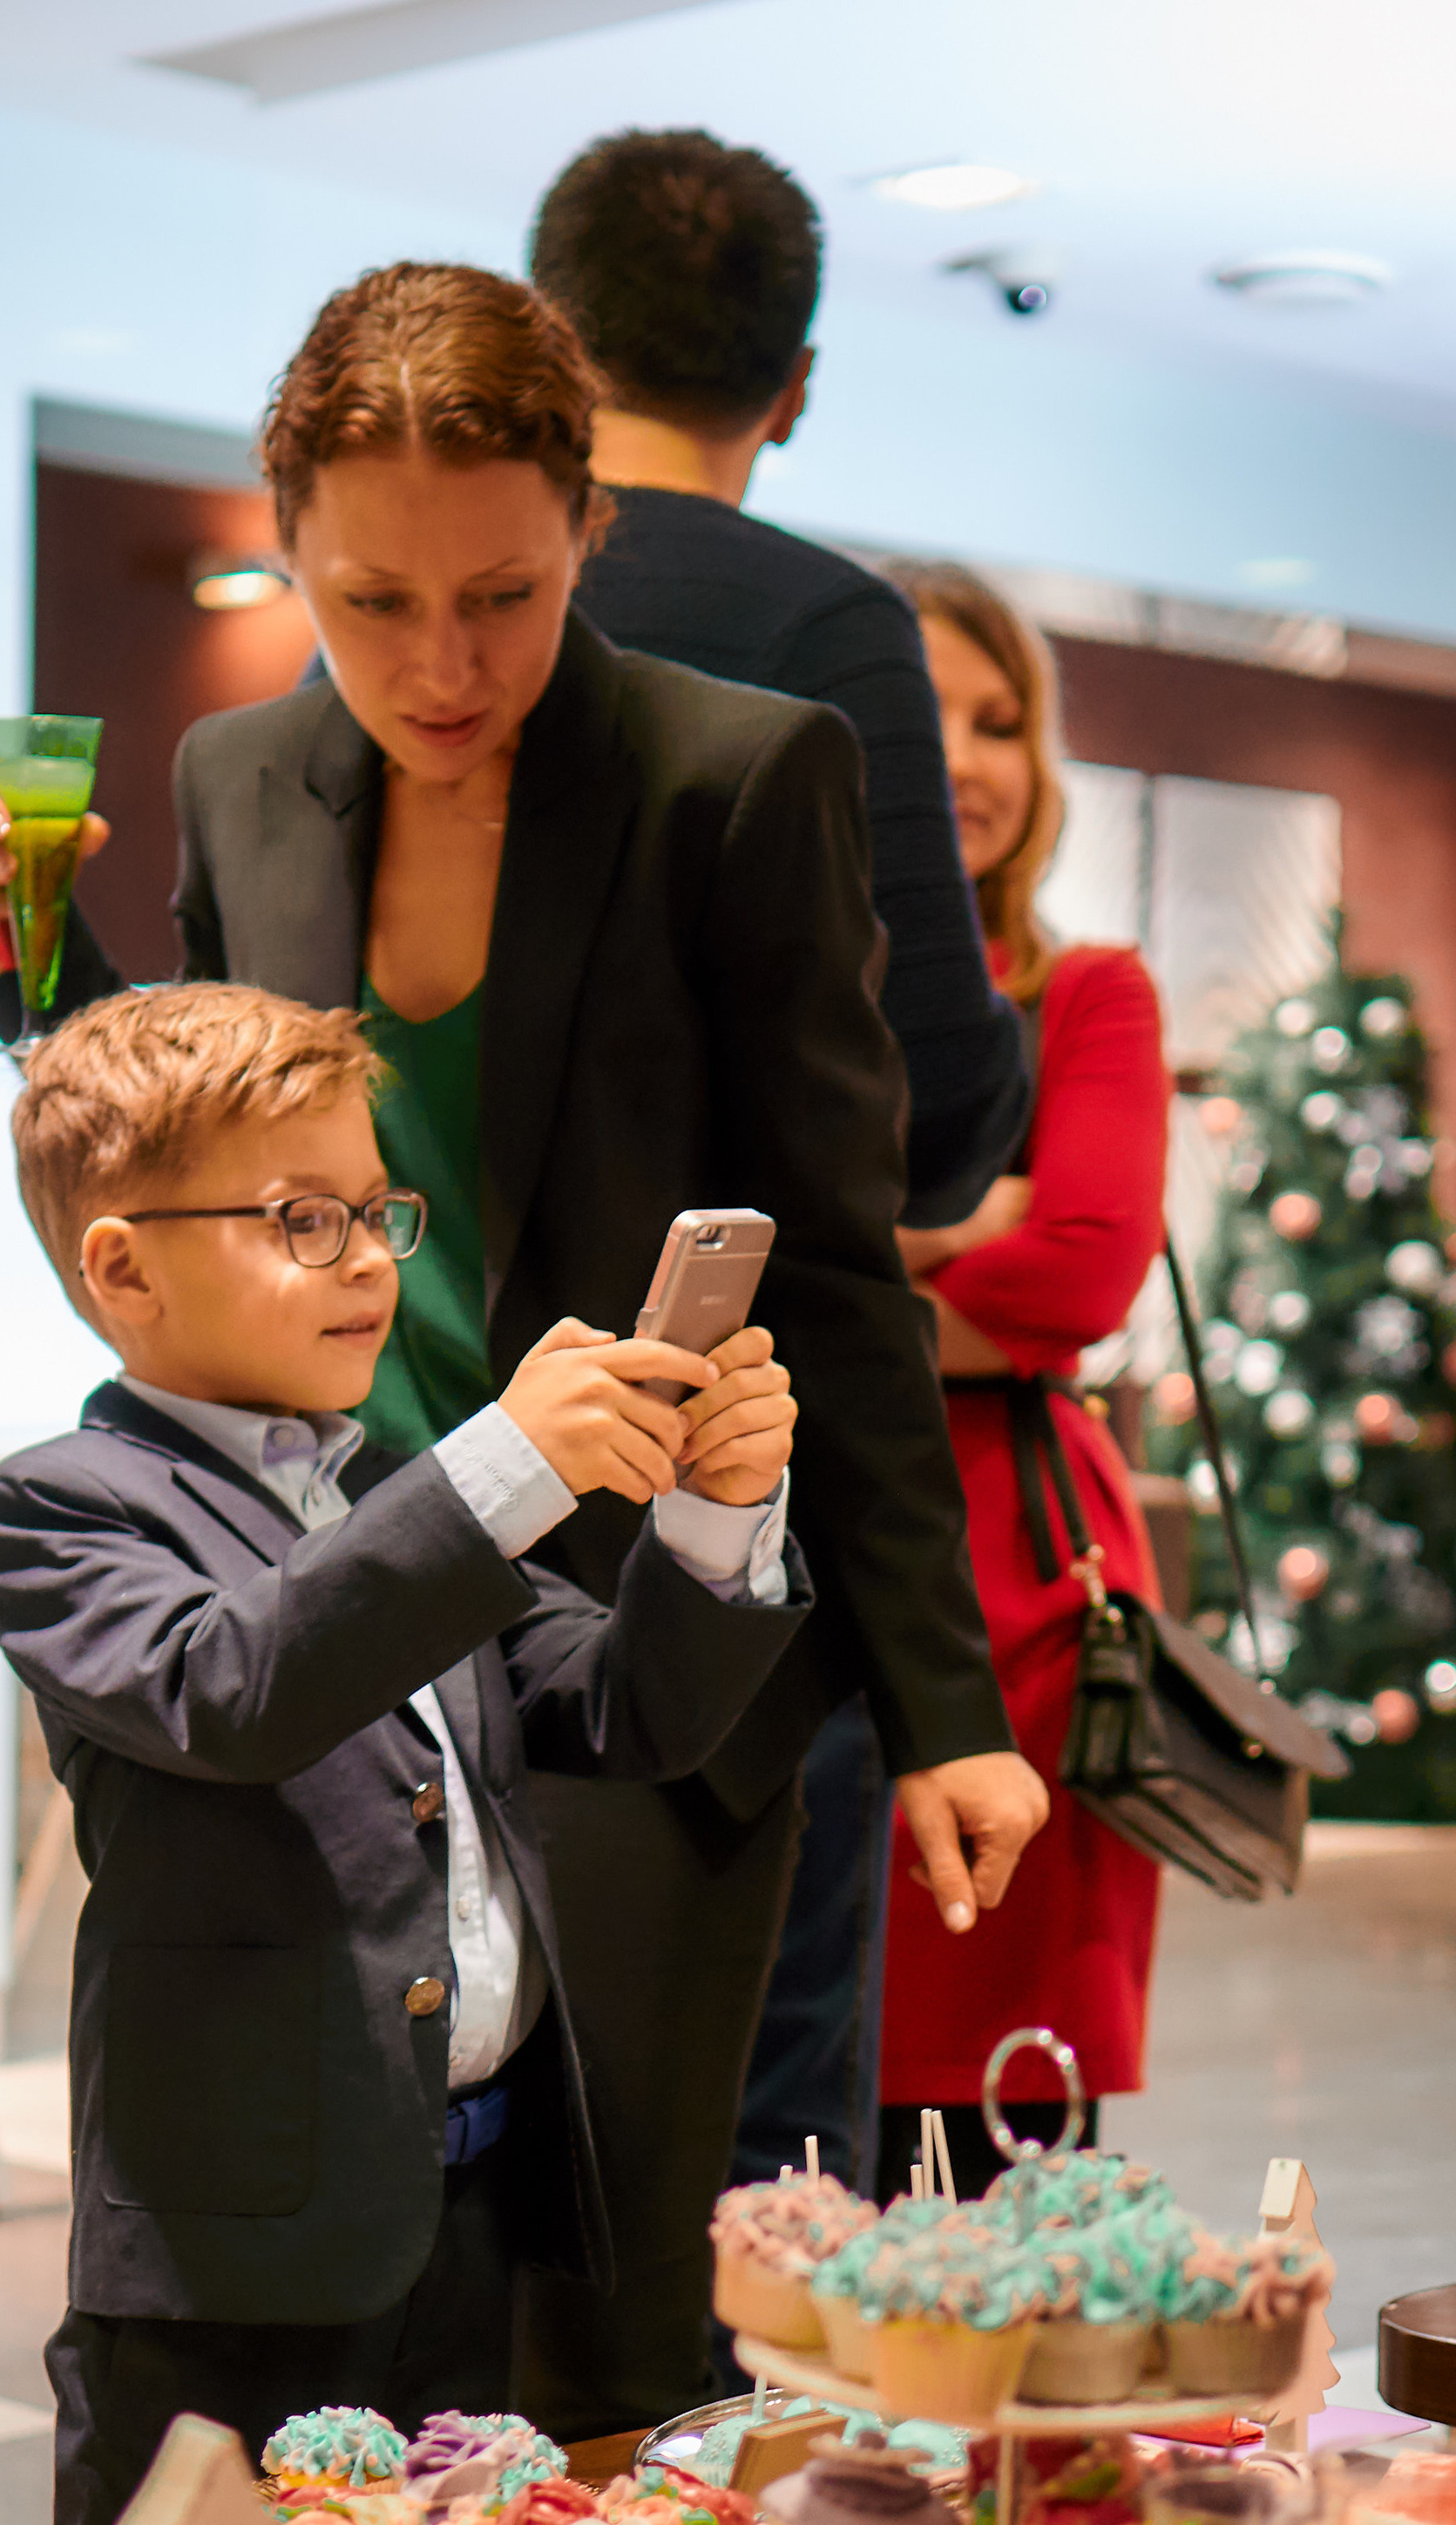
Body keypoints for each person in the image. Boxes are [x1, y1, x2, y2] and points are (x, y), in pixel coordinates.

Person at [0, 264, 1047, 2440]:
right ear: (288, 545)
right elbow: (196, 1126)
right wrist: (27, 956)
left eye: (503, 596)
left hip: (634, 1625)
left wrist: (943, 1709)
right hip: (348, 1600)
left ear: (584, 533)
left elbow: (833, 1261)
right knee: (353, 2241)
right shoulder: (242, 771)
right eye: (368, 601)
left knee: (628, 2305)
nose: (440, 665)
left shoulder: (737, 775)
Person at [0, 980, 809, 2525]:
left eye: (375, 1211)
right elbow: (237, 1685)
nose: (366, 1262)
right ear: (121, 1265)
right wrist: (505, 1459)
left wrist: (713, 1511)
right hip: (239, 2267)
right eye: (301, 1218)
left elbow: (626, 1708)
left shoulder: (396, 1498)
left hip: (464, 2220)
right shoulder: (64, 1507)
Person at [531, 128, 1029, 2203]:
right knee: (742, 2159)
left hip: (448, 1471)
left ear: (544, 341)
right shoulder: (825, 626)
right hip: (733, 1493)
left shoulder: (400, 633)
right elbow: (908, 1113)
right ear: (794, 382)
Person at [876, 567, 1168, 2201]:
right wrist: (961, 1225)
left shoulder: (1087, 993)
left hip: (1029, 1594)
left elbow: (1079, 1276)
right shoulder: (786, 986)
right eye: (927, 716)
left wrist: (854, 1272)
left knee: (1009, 2142)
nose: (972, 760)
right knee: (802, 2111)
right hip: (809, 1560)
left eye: (1003, 722)